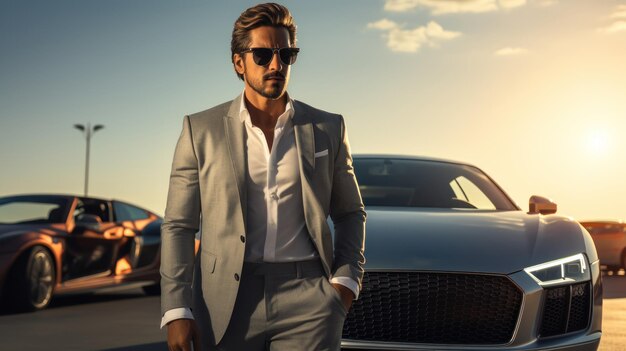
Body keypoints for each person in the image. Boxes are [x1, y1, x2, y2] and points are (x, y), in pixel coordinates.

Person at [160, 3, 366, 350]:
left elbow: (350, 213)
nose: (276, 64)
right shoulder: (200, 130)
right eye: (262, 54)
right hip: (225, 299)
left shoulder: (327, 127)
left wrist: (344, 285)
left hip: (310, 299)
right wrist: (177, 307)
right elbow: (179, 225)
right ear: (238, 62)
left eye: (286, 54)